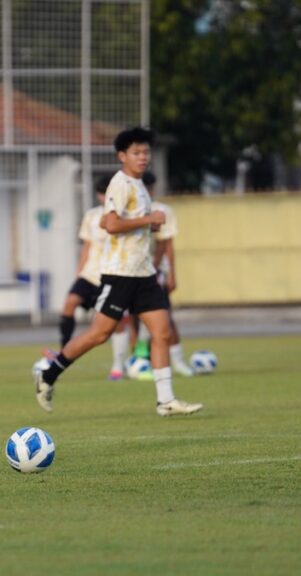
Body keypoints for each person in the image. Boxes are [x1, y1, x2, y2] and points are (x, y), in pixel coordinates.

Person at [32, 127, 203, 417]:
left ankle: (166, 401)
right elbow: (110, 224)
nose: (143, 157)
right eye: (136, 153)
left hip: (144, 273)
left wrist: (147, 223)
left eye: (146, 152)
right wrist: (148, 219)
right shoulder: (121, 184)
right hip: (119, 273)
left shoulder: (138, 186)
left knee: (162, 332)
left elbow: (121, 223)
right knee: (100, 334)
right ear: (122, 156)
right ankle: (50, 374)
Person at [53, 177, 132, 381]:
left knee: (117, 323)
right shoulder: (91, 216)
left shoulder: (125, 216)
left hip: (112, 275)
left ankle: (118, 367)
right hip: (90, 274)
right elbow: (87, 246)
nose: (104, 197)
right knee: (70, 303)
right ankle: (64, 351)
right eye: (101, 193)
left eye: (108, 193)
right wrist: (79, 272)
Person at [127, 171, 195, 377]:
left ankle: (178, 361)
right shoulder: (130, 210)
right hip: (130, 271)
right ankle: (138, 360)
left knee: (165, 317)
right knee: (133, 318)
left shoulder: (161, 210)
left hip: (154, 272)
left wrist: (167, 273)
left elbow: (165, 245)